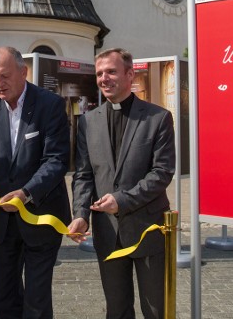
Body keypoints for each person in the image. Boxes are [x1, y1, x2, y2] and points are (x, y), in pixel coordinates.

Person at [0, 46, 71, 319]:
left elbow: (56, 161)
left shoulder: (50, 105)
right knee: (5, 297)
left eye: (4, 76)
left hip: (41, 216)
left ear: (23, 72)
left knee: (36, 301)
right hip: (2, 221)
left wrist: (26, 193)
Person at [68, 48, 176, 319]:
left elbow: (162, 173)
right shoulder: (88, 122)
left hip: (148, 230)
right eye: (100, 73)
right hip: (107, 232)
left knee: (155, 310)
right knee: (116, 310)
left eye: (111, 71)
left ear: (130, 75)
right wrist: (81, 215)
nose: (104, 78)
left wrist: (122, 200)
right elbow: (83, 174)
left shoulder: (158, 118)